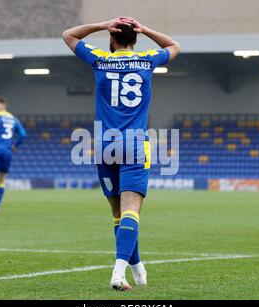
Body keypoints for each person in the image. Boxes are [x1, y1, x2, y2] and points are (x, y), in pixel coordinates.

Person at [63, 17, 180, 290]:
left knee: (118, 213)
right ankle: (118, 273)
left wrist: (104, 24)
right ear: (136, 40)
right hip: (135, 144)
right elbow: (174, 45)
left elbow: (68, 35)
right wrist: (146, 29)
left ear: (113, 40)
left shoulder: (100, 59)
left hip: (104, 145)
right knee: (131, 210)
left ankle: (137, 267)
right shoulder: (148, 59)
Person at [0, 96, 27, 214]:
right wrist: (15, 146)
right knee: (2, 179)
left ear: (3, 105)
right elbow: (23, 134)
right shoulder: (14, 119)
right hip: (7, 151)